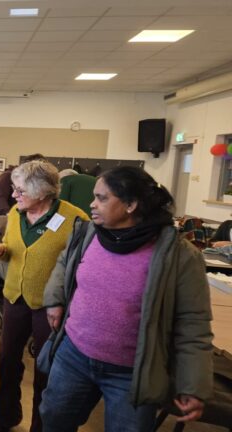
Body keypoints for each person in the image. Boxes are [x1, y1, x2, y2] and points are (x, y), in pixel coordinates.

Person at [40, 167, 213, 431]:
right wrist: (54, 299)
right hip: (73, 354)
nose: (92, 204)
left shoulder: (179, 255)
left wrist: (192, 383)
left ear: (131, 204)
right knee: (54, 420)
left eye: (102, 198)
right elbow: (65, 264)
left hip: (132, 372)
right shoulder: (87, 234)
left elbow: (193, 323)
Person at [0, 160, 88, 432]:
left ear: (43, 192)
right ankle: (6, 417)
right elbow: (12, 247)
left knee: (46, 369)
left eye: (20, 191)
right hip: (14, 298)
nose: (14, 196)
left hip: (50, 305)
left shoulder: (75, 219)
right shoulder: (14, 213)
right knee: (7, 361)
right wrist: (1, 249)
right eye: (14, 189)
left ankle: (40, 426)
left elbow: (85, 263)